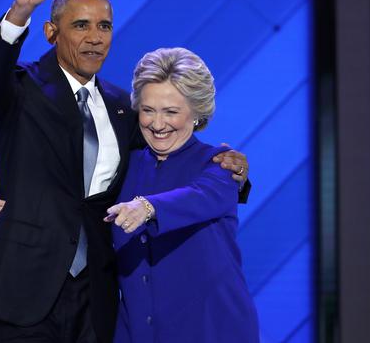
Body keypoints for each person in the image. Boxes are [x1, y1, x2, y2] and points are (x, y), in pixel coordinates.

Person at [0, 0, 250, 342]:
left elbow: (168, 158)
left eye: (104, 26)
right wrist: (21, 11)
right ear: (51, 32)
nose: (95, 37)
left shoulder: (122, 108)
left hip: (97, 294)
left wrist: (234, 167)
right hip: (24, 285)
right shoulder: (19, 89)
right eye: (81, 25)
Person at [105, 47, 259, 342]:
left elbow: (199, 197)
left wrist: (148, 207)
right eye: (148, 110)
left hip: (212, 330)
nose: (158, 124)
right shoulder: (126, 165)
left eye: (171, 112)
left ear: (197, 112)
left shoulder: (220, 165)